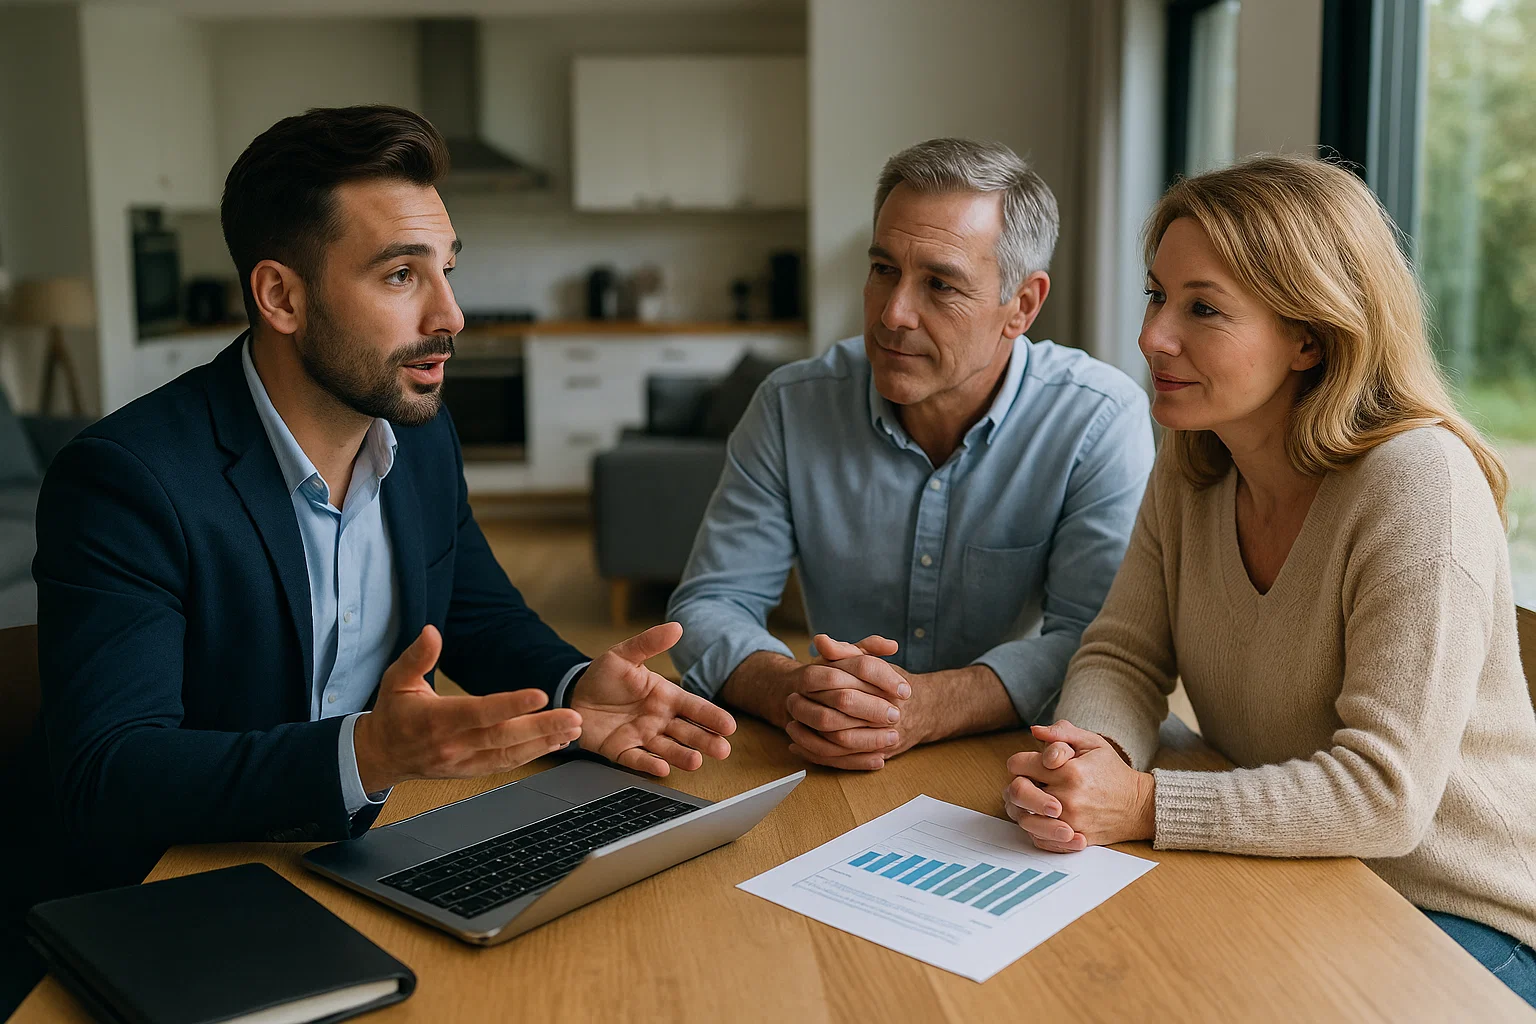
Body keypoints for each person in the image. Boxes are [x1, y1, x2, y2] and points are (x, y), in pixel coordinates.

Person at [3, 105, 736, 1013]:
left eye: (446, 270)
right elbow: (111, 773)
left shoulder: (417, 434)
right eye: (400, 275)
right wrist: (368, 751)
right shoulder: (127, 479)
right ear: (281, 297)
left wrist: (575, 684)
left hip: (340, 860)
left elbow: (474, 613)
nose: (451, 315)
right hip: (164, 893)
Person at [1002, 155, 1536, 1006]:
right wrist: (1089, 757)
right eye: (1156, 296)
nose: (1153, 337)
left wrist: (1141, 804)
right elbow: (1124, 654)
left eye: (1203, 308)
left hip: (1455, 916)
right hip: (1295, 872)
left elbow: (1386, 797)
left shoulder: (1421, 484)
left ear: (1309, 337)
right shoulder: (1194, 460)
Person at [666, 138, 1153, 771]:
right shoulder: (792, 406)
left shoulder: (1096, 418)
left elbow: (1096, 643)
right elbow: (712, 603)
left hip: (1011, 756)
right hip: (826, 751)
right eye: (883, 269)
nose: (894, 314)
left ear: (1022, 306)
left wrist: (931, 705)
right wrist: (792, 691)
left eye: (940, 285)